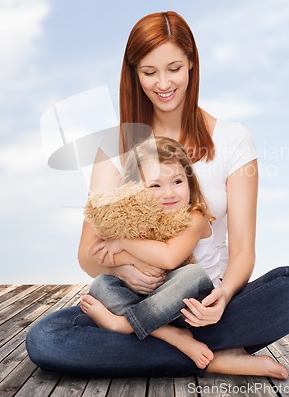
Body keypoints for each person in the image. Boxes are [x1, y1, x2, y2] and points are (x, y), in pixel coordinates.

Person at [26, 11, 289, 379]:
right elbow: (88, 254)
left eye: (173, 69)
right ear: (134, 74)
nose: (163, 83)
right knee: (46, 339)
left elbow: (244, 250)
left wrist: (225, 297)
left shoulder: (233, 140)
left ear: (191, 65)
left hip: (207, 302)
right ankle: (212, 355)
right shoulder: (113, 148)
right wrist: (123, 269)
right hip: (136, 301)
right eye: (149, 72)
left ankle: (169, 342)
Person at [81, 136, 222, 369]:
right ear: (135, 192)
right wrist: (126, 258)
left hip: (194, 309)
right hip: (155, 310)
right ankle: (168, 335)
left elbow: (169, 258)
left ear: (190, 182)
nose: (169, 193)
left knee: (193, 274)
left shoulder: (194, 218)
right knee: (101, 285)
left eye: (177, 182)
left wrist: (123, 243)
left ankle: (124, 325)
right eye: (155, 186)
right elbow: (97, 254)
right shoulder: (139, 222)